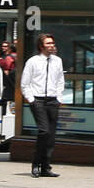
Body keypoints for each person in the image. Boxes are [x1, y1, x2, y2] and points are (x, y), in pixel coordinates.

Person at [20, 33, 65, 178]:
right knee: (44, 131)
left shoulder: (57, 61)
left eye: (52, 43)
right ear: (41, 46)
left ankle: (46, 167)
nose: (51, 45)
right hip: (38, 100)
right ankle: (35, 164)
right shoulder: (33, 61)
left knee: (51, 136)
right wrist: (31, 99)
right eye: (48, 43)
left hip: (52, 100)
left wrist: (58, 97)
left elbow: (60, 80)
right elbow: (25, 83)